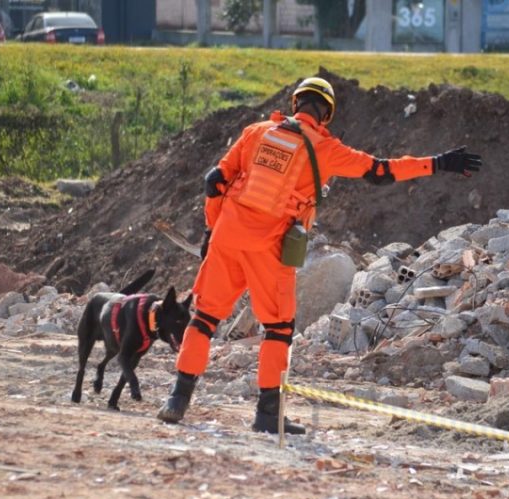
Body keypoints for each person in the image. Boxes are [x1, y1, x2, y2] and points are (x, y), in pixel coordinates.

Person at [157, 76, 482, 434]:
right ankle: (267, 415)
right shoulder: (326, 148)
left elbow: (215, 180)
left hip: (228, 236)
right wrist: (438, 163)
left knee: (204, 319)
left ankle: (177, 399)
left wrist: (210, 230)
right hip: (272, 247)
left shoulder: (257, 132)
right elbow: (380, 171)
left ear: (295, 104)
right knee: (278, 328)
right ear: (326, 115)